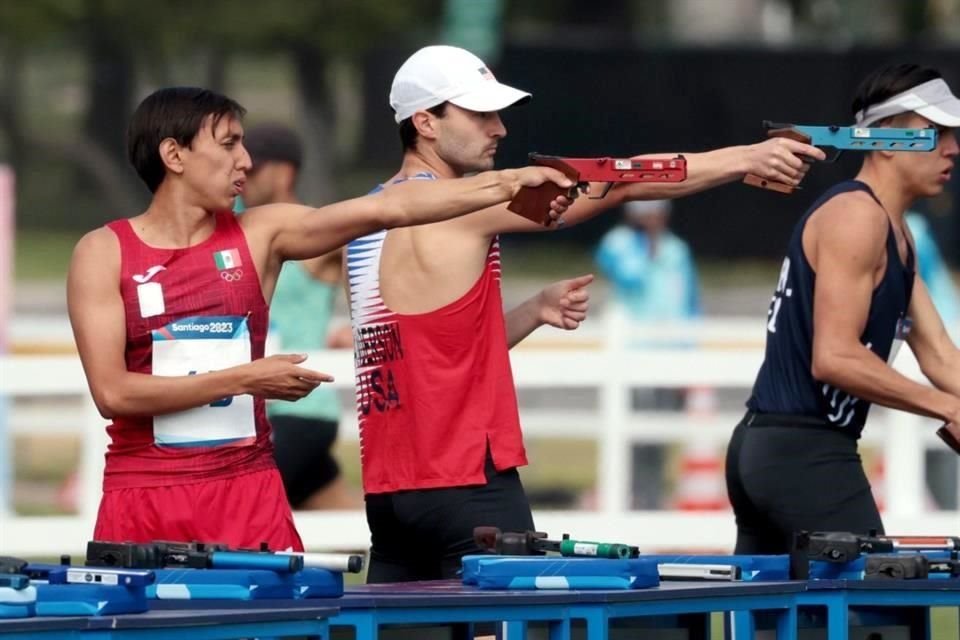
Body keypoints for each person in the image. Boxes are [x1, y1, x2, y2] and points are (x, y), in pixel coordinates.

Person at [352, 44, 826, 583]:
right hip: (467, 487)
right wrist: (744, 157)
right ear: (425, 122)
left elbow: (434, 354)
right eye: (480, 113)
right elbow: (618, 184)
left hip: (390, 498)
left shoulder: (368, 219)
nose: (500, 128)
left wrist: (532, 310)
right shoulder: (468, 207)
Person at [66, 86, 576, 551]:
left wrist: (507, 182)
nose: (245, 161)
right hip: (144, 494)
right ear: (174, 155)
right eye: (228, 145)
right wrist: (247, 378)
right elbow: (113, 393)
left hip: (249, 494)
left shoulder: (262, 232)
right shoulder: (104, 252)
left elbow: (389, 209)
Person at [727, 63, 960, 554]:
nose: (953, 149)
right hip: (802, 452)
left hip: (780, 448)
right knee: (881, 617)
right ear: (885, 138)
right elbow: (834, 357)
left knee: (780, 627)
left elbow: (939, 355)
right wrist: (948, 407)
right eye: (936, 134)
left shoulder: (897, 231)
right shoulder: (857, 216)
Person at [241, 123, 357, 510]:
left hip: (301, 409)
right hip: (252, 404)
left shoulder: (316, 233)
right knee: (353, 530)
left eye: (254, 171)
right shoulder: (232, 225)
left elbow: (382, 263)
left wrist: (362, 328)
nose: (244, 178)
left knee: (242, 513)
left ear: (284, 172)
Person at [595, 198, 703, 509]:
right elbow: (629, 278)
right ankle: (630, 497)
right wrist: (648, 245)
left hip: (671, 356)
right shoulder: (617, 244)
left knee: (660, 434)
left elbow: (689, 302)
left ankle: (652, 499)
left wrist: (690, 356)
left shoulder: (677, 250)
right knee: (633, 436)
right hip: (633, 355)